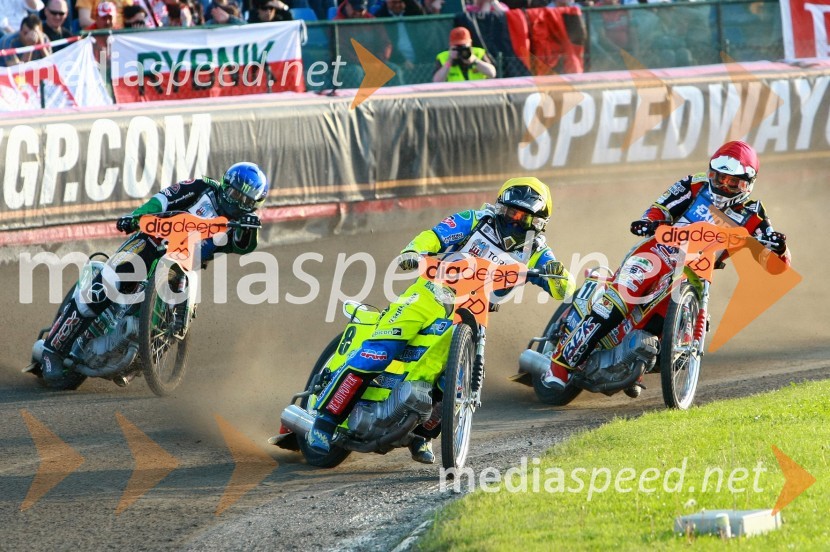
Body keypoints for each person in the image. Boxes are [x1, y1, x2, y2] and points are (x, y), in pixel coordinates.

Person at [303, 177, 575, 463]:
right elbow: (433, 237)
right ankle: (325, 421)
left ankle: (421, 435)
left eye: (522, 216)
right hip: (429, 294)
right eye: (509, 211)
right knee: (379, 352)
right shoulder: (475, 220)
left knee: (453, 381)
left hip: (474, 311)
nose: (513, 219)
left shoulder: (537, 250)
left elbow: (564, 289)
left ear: (538, 222)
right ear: (499, 207)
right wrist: (413, 252)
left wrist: (558, 273)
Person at [549, 141, 791, 390]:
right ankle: (560, 365)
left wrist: (779, 248)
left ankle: (633, 364)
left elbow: (776, 266)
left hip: (696, 270)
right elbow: (660, 208)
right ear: (710, 173)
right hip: (657, 252)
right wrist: (648, 222)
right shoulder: (694, 184)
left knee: (677, 329)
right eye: (719, 179)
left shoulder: (754, 214)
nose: (725, 186)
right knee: (621, 299)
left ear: (748, 183)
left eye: (733, 182)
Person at [39, 163, 268, 389]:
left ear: (255, 205)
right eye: (233, 193)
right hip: (151, 241)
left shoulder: (245, 224)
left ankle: (142, 358)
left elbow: (243, 246)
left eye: (246, 200)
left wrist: (248, 229)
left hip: (183, 265)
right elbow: (162, 200)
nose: (237, 202)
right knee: (110, 283)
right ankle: (53, 348)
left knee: (180, 313)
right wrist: (137, 216)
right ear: (224, 185)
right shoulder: (201, 187)